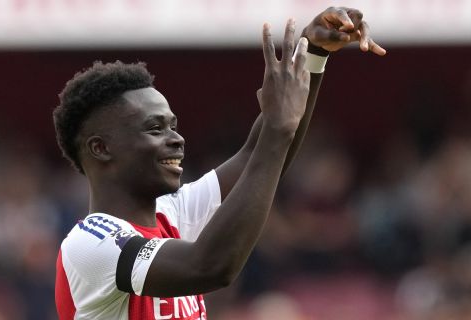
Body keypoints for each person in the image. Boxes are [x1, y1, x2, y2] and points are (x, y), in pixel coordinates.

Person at [53, 6, 385, 320]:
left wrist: (313, 54)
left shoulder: (172, 214)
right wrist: (277, 128)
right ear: (101, 148)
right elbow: (209, 267)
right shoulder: (91, 245)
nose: (177, 139)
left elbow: (260, 158)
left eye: (174, 126)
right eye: (155, 128)